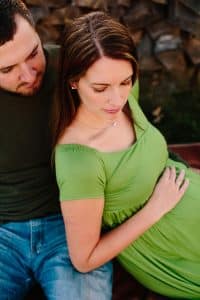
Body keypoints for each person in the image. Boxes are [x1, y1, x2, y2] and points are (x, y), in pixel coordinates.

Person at [52, 11, 200, 299]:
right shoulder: (78, 160)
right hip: (177, 253)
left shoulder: (123, 96)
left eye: (125, 81)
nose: (117, 99)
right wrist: (156, 208)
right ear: (73, 81)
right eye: (100, 88)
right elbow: (85, 259)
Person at [0, 2, 113, 299]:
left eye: (32, 53)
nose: (28, 74)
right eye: (7, 69)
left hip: (72, 227)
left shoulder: (74, 69)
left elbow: (129, 124)